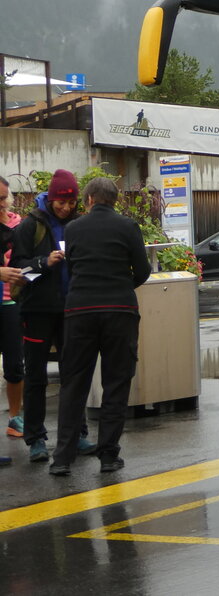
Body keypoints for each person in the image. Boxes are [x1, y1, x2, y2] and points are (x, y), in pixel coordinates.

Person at [49, 177, 151, 475]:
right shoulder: (128, 227)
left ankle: (62, 459)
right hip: (120, 311)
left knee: (74, 383)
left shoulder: (73, 228)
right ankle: (108, 456)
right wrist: (121, 287)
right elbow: (142, 270)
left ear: (89, 199)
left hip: (80, 311)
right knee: (116, 383)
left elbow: (74, 266)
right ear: (115, 201)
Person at [10, 169, 95, 463]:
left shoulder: (79, 225)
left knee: (74, 375)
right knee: (36, 377)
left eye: (71, 203)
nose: (66, 208)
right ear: (52, 197)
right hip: (37, 311)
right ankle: (35, 439)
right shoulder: (29, 226)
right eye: (61, 202)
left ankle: (78, 434)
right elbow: (19, 273)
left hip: (72, 310)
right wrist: (43, 262)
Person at [0, 176, 26, 454]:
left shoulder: (18, 224)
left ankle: (14, 418)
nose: (3, 203)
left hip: (11, 303)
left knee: (15, 365)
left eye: (5, 197)